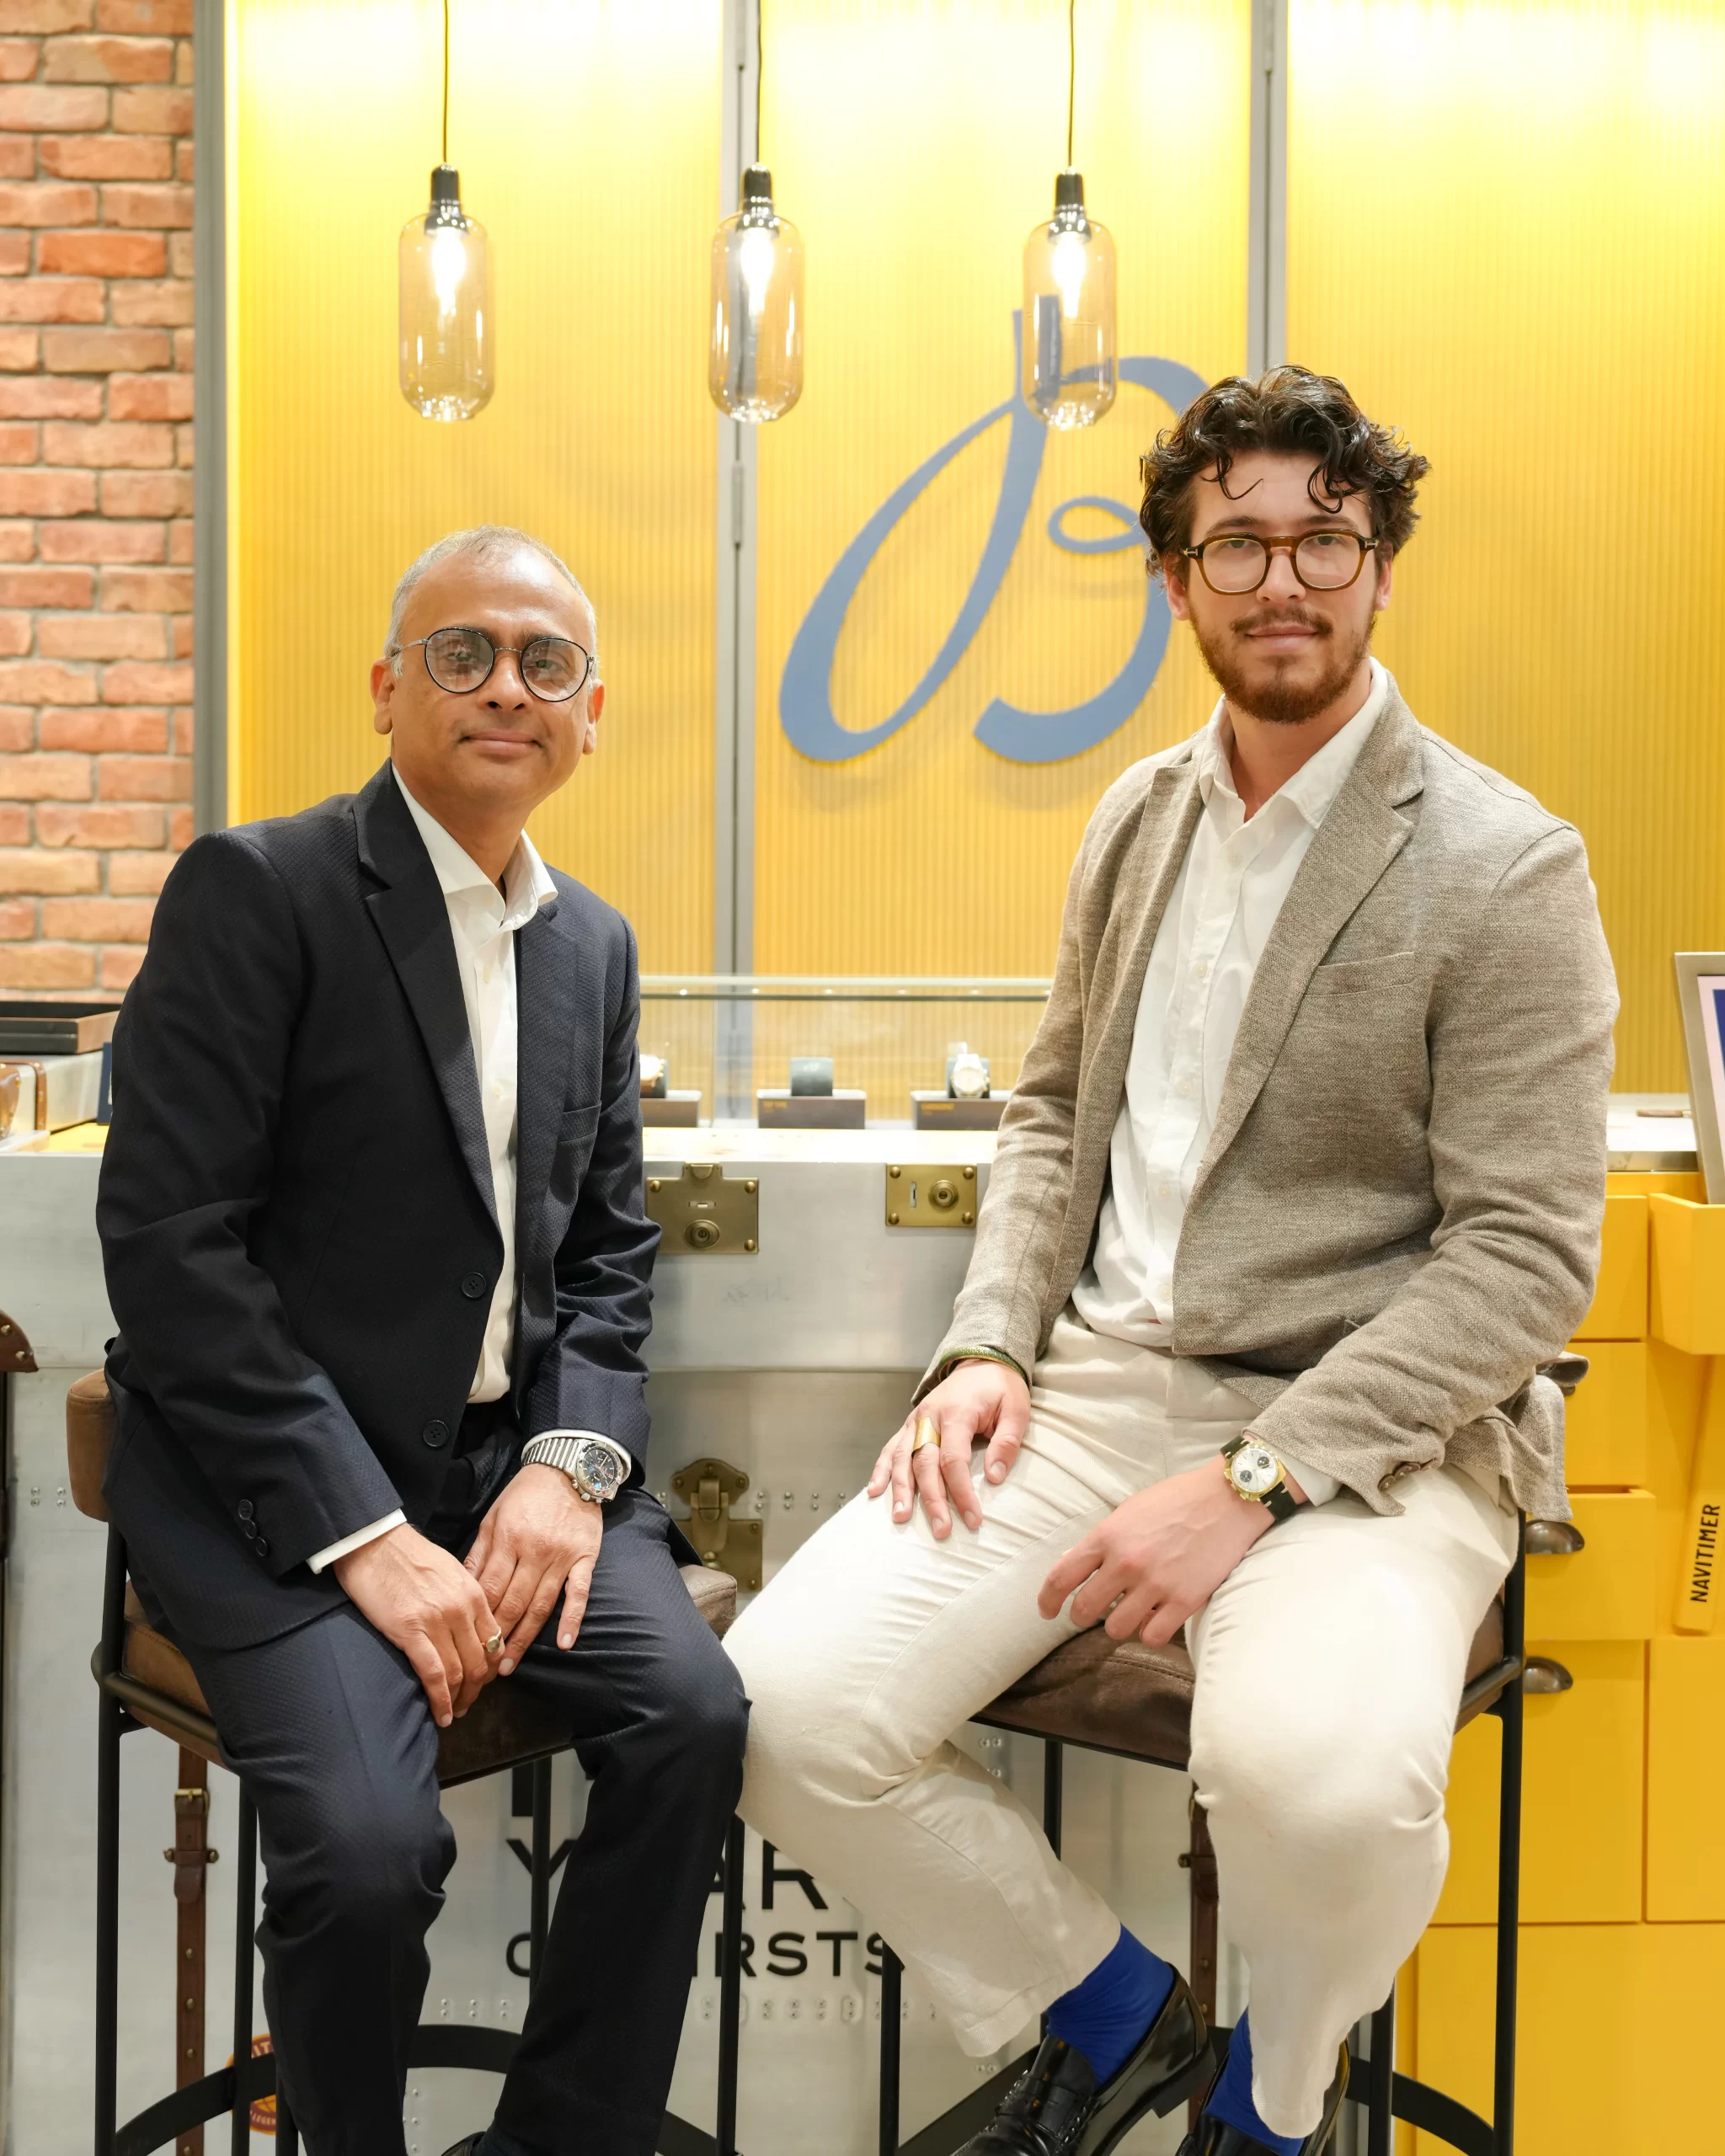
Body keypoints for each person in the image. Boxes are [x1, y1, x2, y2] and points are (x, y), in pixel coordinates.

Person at [724, 368, 1617, 2156]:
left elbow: (1523, 1257)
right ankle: (1114, 2010)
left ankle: (1268, 2105)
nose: (1283, 581)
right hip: (1088, 1397)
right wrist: (989, 1343)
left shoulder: (1509, 863)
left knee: (1324, 1788)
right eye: (1238, 545)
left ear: (1381, 569)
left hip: (1368, 1441)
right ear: (1175, 579)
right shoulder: (1137, 817)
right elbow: (1054, 1112)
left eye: (1323, 542)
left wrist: (1257, 1475)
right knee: (773, 1713)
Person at [96, 526, 748, 2156]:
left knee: (693, 1720)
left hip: (503, 1469)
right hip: (273, 1489)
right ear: (389, 689)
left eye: (545, 662)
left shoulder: (591, 945)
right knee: (373, 1855)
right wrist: (365, 1533)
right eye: (465, 654)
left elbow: (605, 1254)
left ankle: (563, 2137)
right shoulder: (260, 891)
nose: (506, 687)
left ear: (591, 712)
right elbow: (172, 1249)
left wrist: (570, 1467)